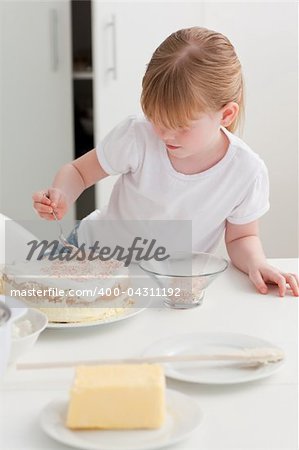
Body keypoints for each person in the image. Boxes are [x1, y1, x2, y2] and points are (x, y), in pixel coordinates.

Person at [33, 27, 298, 297]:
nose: (165, 134)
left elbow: (242, 237)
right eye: (157, 120)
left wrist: (257, 263)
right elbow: (78, 172)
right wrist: (62, 194)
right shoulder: (138, 136)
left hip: (164, 283)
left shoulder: (246, 172)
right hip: (87, 254)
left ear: (226, 114)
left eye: (181, 126)